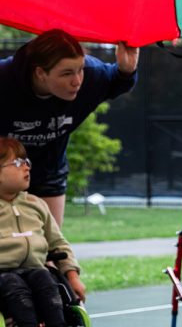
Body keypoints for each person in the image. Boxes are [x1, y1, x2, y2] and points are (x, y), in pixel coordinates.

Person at [0, 29, 139, 226]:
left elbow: (117, 82)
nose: (77, 81)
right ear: (40, 73)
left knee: (51, 248)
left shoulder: (92, 76)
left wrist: (127, 70)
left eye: (80, 69)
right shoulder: (4, 81)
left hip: (49, 172)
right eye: (66, 74)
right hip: (2, 172)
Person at [0, 137, 85, 327]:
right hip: (3, 277)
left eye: (26, 160)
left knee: (44, 278)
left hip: (34, 271)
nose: (27, 166)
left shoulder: (36, 204)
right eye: (17, 163)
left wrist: (73, 276)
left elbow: (59, 244)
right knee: (11, 282)